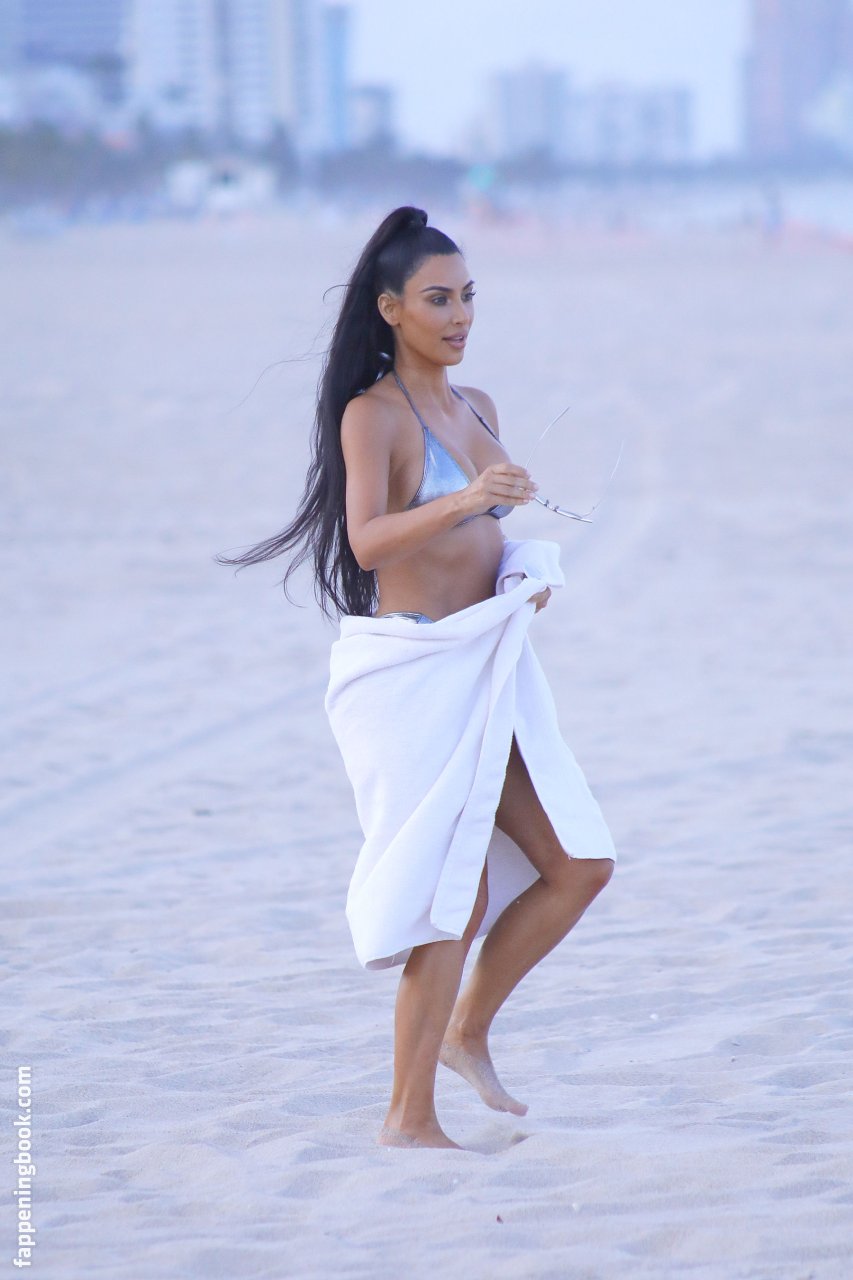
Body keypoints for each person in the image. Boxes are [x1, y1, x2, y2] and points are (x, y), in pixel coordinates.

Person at [220, 206, 616, 1150]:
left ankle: (465, 1032)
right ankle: (407, 1119)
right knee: (451, 894)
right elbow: (366, 541)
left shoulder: (477, 406)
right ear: (391, 308)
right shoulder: (374, 415)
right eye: (438, 299)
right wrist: (470, 498)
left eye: (468, 296)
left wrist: (519, 569)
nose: (460, 315)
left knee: (578, 863)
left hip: (486, 660)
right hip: (412, 669)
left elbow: (487, 538)